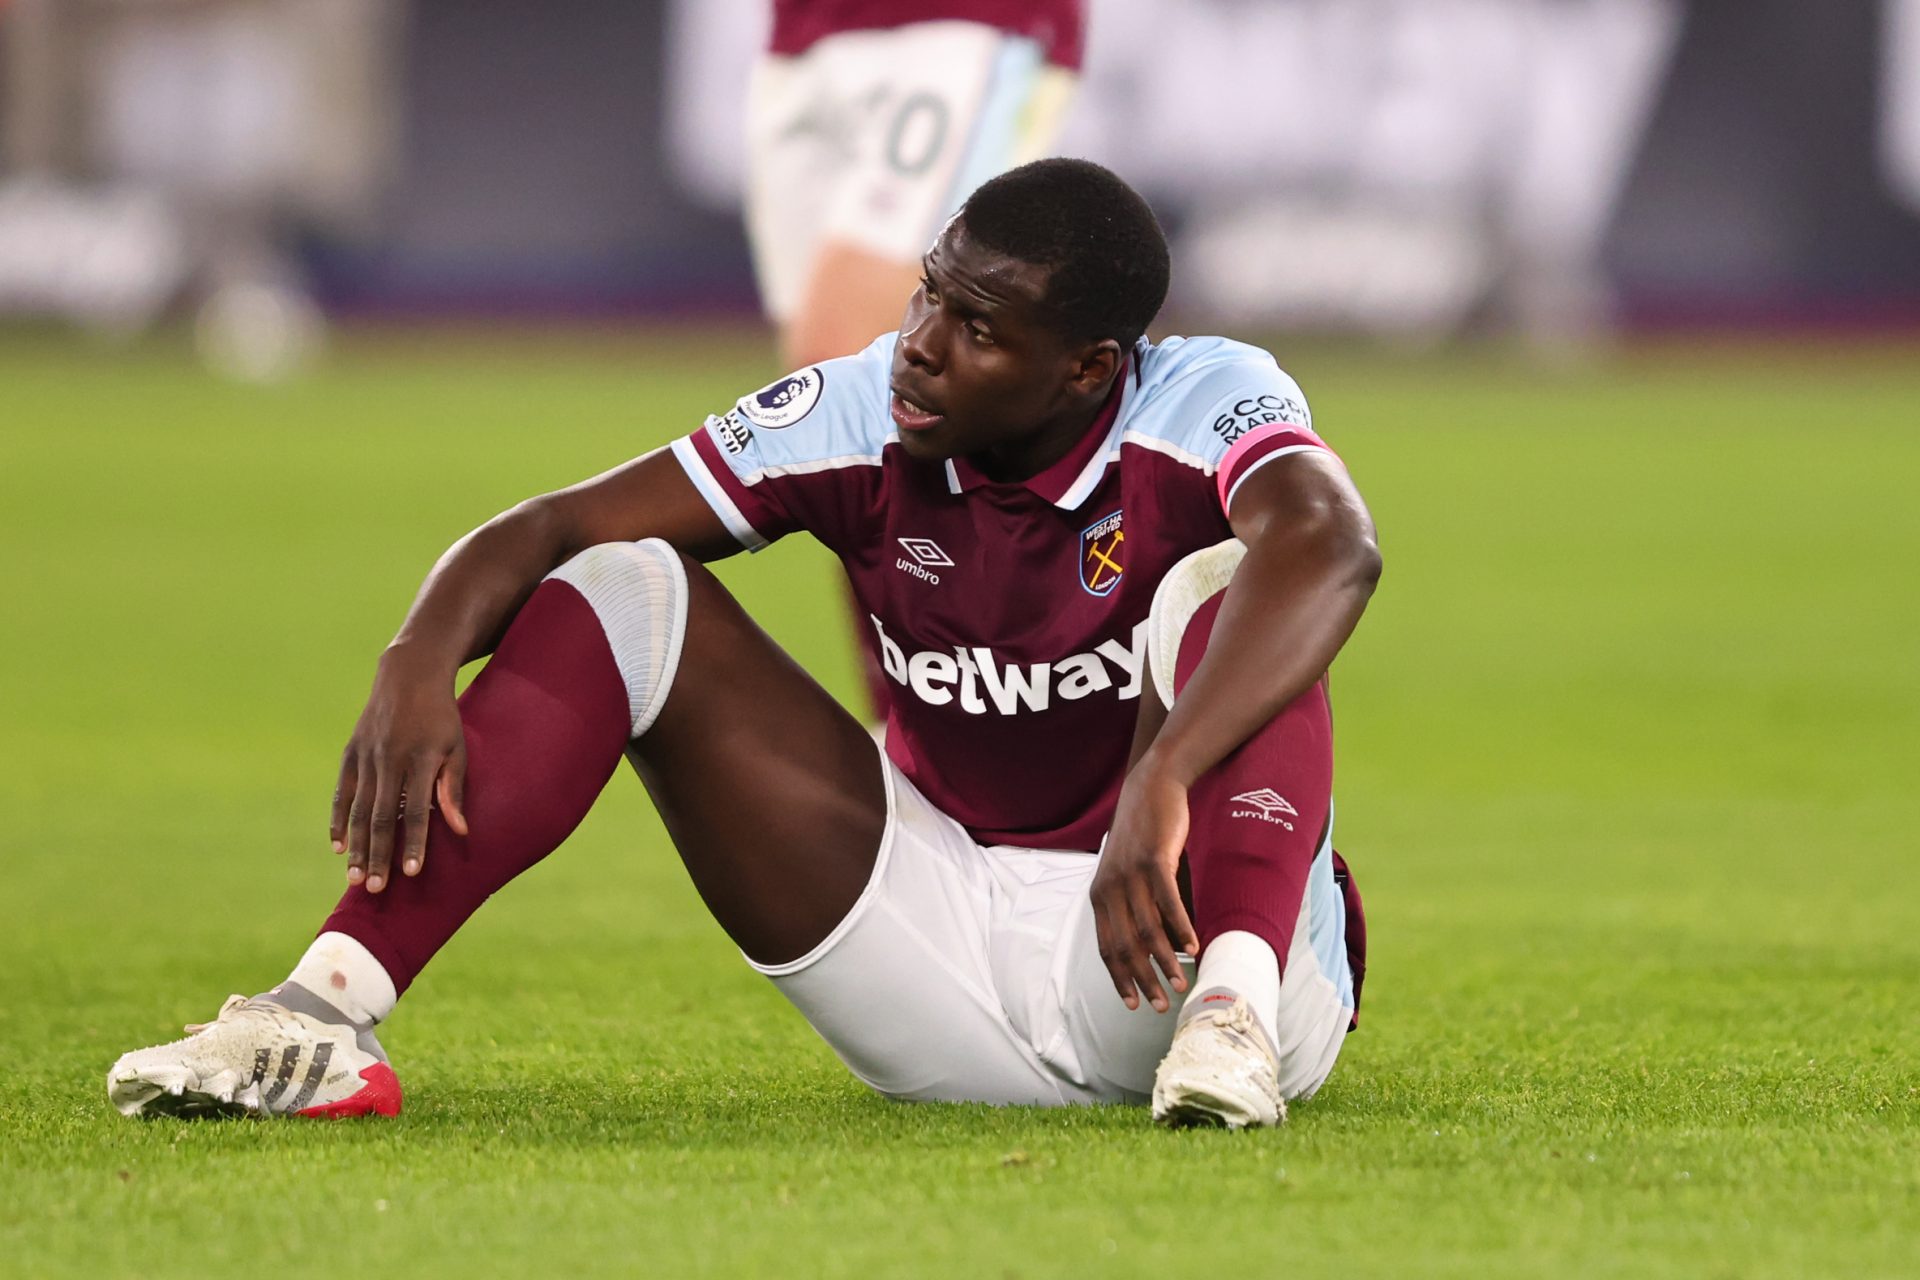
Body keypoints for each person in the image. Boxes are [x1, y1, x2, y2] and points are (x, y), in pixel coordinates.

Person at [107, 159, 1379, 1129]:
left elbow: (1332, 545)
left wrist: (1160, 778)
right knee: (626, 583)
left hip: (1170, 956)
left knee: (1238, 573)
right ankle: (324, 1014)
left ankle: (1235, 1018)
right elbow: (560, 524)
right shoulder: (864, 403)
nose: (923, 344)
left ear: (1091, 368)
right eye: (931, 290)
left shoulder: (1198, 396)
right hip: (942, 943)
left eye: (980, 328)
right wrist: (417, 653)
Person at [743, 0, 1086, 718]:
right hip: (804, 37)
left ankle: (992, 738)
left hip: (962, 22)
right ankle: (932, 737)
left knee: (862, 370)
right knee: (857, 417)